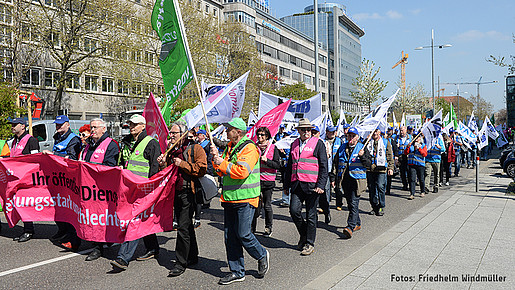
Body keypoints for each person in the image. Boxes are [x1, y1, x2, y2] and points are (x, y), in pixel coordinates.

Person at [211, 117, 269, 285]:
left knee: (243, 234)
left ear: (237, 132)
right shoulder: (230, 147)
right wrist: (216, 160)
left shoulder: (249, 148)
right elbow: (222, 171)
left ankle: (261, 254)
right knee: (230, 237)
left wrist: (221, 163)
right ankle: (237, 271)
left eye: (228, 129)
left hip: (246, 198)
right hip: (230, 199)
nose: (226, 131)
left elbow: (242, 172)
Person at [110, 114, 161, 271]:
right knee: (141, 222)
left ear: (143, 126)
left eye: (135, 124)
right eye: (130, 124)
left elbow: (154, 169)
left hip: (143, 191)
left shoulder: (151, 144)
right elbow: (122, 163)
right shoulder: (126, 142)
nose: (131, 127)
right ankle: (153, 248)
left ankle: (123, 258)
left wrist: (151, 191)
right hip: (127, 189)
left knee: (134, 223)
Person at [159, 122, 207, 277]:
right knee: (186, 227)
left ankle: (180, 263)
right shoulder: (171, 151)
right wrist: (162, 163)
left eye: (174, 133)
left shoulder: (195, 148)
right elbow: (166, 172)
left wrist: (183, 164)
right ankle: (192, 256)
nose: (171, 136)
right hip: (175, 193)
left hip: (189, 193)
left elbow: (201, 169)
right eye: (170, 133)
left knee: (182, 228)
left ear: (184, 134)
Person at [284, 118, 328, 256]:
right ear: (299, 131)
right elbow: (289, 166)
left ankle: (309, 243)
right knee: (294, 211)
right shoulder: (294, 144)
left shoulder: (318, 144)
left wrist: (321, 185)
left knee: (311, 215)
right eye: (303, 129)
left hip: (313, 185)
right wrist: (286, 185)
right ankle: (304, 234)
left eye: (309, 129)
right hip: (297, 184)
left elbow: (324, 166)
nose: (306, 132)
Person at [79, 118, 120, 261]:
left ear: (104, 129)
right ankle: (97, 242)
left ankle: (98, 247)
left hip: (102, 189)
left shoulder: (111, 145)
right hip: (88, 188)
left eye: (95, 127)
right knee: (90, 216)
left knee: (100, 218)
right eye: (91, 127)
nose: (93, 130)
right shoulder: (89, 144)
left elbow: (110, 166)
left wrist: (90, 169)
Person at [43, 115, 82, 250]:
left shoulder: (74, 139)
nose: (58, 127)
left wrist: (53, 156)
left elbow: (71, 158)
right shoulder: (57, 137)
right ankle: (62, 230)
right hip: (56, 177)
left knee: (68, 206)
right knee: (57, 204)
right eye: (56, 125)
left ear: (67, 124)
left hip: (69, 179)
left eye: (60, 124)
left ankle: (72, 234)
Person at [335, 127, 372, 238]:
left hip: (357, 181)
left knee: (354, 203)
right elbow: (336, 163)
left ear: (357, 137)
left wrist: (363, 157)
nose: (350, 138)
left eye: (353, 136)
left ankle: (350, 227)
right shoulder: (342, 147)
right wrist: (334, 178)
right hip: (345, 180)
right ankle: (358, 223)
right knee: (350, 203)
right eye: (349, 135)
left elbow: (369, 164)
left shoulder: (362, 148)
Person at [8, 118, 39, 242]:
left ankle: (29, 230)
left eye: (15, 125)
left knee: (24, 204)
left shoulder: (31, 140)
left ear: (23, 126)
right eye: (12, 125)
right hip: (16, 178)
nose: (12, 127)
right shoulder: (15, 140)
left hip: (26, 178)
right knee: (19, 204)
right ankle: (27, 228)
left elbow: (36, 160)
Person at [252, 127, 281, 237]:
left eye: (262, 135)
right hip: (256, 180)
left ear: (267, 136)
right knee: (254, 205)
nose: (260, 137)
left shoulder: (273, 148)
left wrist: (267, 161)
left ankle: (268, 227)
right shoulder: (254, 148)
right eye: (258, 134)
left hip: (268, 181)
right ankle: (252, 228)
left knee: (267, 205)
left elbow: (278, 165)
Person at [366, 129, 394, 216]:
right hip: (370, 169)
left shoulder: (385, 142)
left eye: (376, 131)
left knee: (380, 186)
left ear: (379, 132)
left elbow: (389, 155)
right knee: (371, 188)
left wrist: (391, 168)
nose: (374, 133)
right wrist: (366, 141)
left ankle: (381, 205)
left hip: (381, 168)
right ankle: (374, 206)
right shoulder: (368, 142)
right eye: (373, 131)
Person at [320, 125, 342, 223]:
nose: (331, 133)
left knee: (338, 188)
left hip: (337, 169)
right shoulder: (322, 141)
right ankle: (326, 206)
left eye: (333, 132)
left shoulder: (339, 141)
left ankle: (339, 203)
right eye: (329, 132)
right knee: (326, 189)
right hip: (326, 169)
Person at [404, 134, 428, 200]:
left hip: (420, 164)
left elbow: (424, 154)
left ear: (420, 138)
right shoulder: (411, 145)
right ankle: (412, 193)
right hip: (412, 164)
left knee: (421, 179)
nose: (416, 139)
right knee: (412, 179)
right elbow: (406, 153)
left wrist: (419, 148)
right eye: (415, 137)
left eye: (417, 137)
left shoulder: (423, 145)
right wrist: (407, 147)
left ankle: (422, 191)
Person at [335, 123, 350, 210]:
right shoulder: (341, 140)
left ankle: (349, 202)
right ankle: (339, 203)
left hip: (350, 169)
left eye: (347, 129)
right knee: (338, 187)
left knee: (348, 189)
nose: (345, 131)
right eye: (344, 129)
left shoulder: (356, 142)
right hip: (340, 167)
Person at [395, 126, 412, 191]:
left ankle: (410, 185)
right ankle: (405, 185)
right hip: (400, 157)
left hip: (408, 157)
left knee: (409, 172)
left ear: (406, 130)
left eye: (402, 130)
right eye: (400, 130)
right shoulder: (397, 138)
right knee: (402, 172)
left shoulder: (410, 137)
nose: (401, 132)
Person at [385, 128, 399, 196]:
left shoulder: (391, 141)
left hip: (389, 160)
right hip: (381, 162)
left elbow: (395, 149)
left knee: (388, 176)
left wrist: (396, 156)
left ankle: (388, 189)